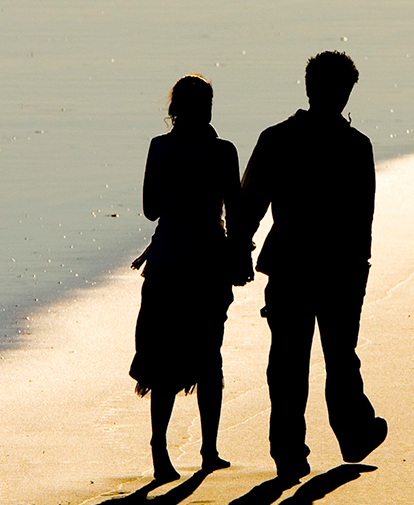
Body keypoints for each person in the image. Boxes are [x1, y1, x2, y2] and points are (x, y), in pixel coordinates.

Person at [239, 51, 388, 481]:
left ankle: (289, 453)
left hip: (288, 265)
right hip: (340, 268)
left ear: (308, 87)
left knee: (287, 363)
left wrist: (238, 253)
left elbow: (250, 208)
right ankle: (354, 433)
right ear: (345, 93)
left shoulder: (276, 138)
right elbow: (363, 221)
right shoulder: (356, 146)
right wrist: (360, 271)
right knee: (340, 356)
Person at [129, 74, 253, 482]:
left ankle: (160, 451)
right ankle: (209, 450)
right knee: (208, 355)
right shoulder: (223, 151)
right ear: (209, 108)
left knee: (162, 359)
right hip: (207, 264)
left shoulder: (159, 147)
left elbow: (150, 209)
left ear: (174, 109)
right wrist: (241, 258)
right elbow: (235, 214)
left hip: (165, 261)